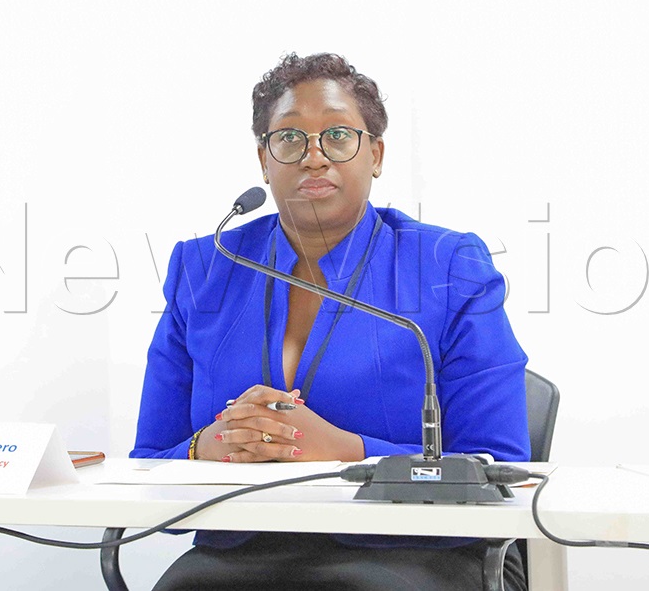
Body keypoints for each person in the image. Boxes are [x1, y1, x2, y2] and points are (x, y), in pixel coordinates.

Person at [131, 53, 529, 590]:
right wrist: (206, 448)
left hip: (410, 552)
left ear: (376, 154)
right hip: (242, 553)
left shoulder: (447, 265)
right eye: (290, 139)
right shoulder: (205, 267)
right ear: (263, 160)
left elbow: (499, 465)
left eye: (338, 136)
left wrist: (350, 453)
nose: (313, 158)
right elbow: (146, 462)